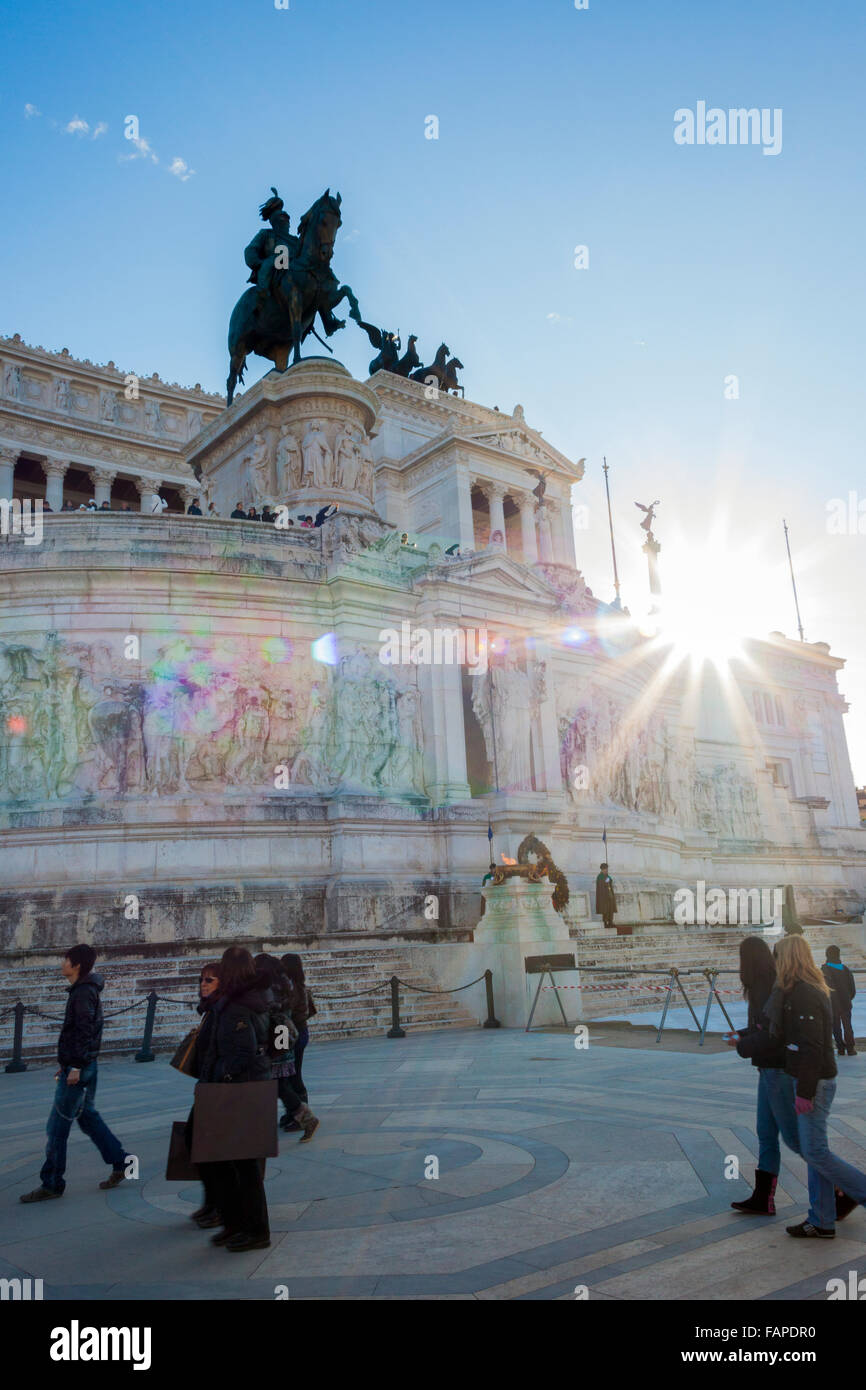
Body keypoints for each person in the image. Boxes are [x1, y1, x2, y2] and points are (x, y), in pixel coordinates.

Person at [771, 935, 866, 1237]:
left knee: (817, 1153)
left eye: (778, 957)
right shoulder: (805, 989)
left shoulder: (805, 994)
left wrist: (805, 1091)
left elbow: (811, 1046)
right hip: (813, 1078)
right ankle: (822, 1218)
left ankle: (855, 1195)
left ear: (787, 959)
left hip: (815, 1082)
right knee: (814, 1153)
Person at [20, 945, 128, 1203]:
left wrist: (75, 1066)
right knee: (87, 1117)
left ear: (76, 965)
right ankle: (121, 1162)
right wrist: (69, 1062)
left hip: (80, 1068)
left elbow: (84, 1030)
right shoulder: (85, 990)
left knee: (56, 1127)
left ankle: (52, 1183)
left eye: (66, 959)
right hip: (83, 1064)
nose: (62, 963)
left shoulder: (83, 993)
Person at [196, 947, 273, 1252]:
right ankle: (235, 1224)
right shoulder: (241, 1001)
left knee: (245, 1168)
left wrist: (223, 1079)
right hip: (237, 1088)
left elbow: (242, 1054)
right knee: (227, 1163)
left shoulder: (240, 1006)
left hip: (239, 1092)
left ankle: (256, 1231)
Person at [726, 937, 791, 1214]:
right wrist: (741, 1034)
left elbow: (773, 1033)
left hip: (777, 1069)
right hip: (767, 1068)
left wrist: (742, 1045)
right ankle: (763, 1197)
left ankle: (841, 1190)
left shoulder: (766, 986)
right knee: (766, 1133)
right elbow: (761, 1026)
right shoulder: (762, 985)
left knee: (795, 1138)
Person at [256, 954, 319, 1141]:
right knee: (282, 1077)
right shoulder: (285, 985)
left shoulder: (275, 988)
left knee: (282, 1077)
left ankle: (301, 1115)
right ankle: (297, 1114)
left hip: (282, 1032)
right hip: (285, 1032)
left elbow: (277, 1013)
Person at [184, 962, 223, 1228]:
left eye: (209, 980)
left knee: (206, 1146)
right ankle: (211, 1201)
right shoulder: (210, 1010)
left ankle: (217, 1204)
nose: (203, 984)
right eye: (201, 980)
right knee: (195, 1140)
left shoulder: (221, 1010)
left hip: (217, 1088)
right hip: (208, 1084)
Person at [280, 954, 317, 1132]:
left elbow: (288, 1010)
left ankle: (301, 1114)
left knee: (292, 1075)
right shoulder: (296, 984)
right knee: (286, 1075)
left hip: (292, 1033)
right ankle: (293, 1110)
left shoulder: (292, 986)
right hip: (297, 1032)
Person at [821, 945, 857, 1057]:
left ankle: (840, 1048)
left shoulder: (824, 969)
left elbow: (821, 988)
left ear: (827, 955)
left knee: (835, 1027)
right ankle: (850, 1049)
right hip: (845, 1002)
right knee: (847, 1026)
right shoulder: (845, 969)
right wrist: (848, 998)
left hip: (832, 1003)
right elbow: (852, 988)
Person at [595, 862, 616, 929]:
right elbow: (601, 887)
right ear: (602, 869)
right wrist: (606, 881)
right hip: (604, 897)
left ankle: (610, 922)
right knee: (605, 910)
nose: (606, 870)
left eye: (606, 869)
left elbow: (610, 882)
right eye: (605, 869)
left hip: (609, 895)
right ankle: (605, 922)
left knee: (610, 909)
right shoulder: (600, 877)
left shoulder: (607, 876)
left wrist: (608, 880)